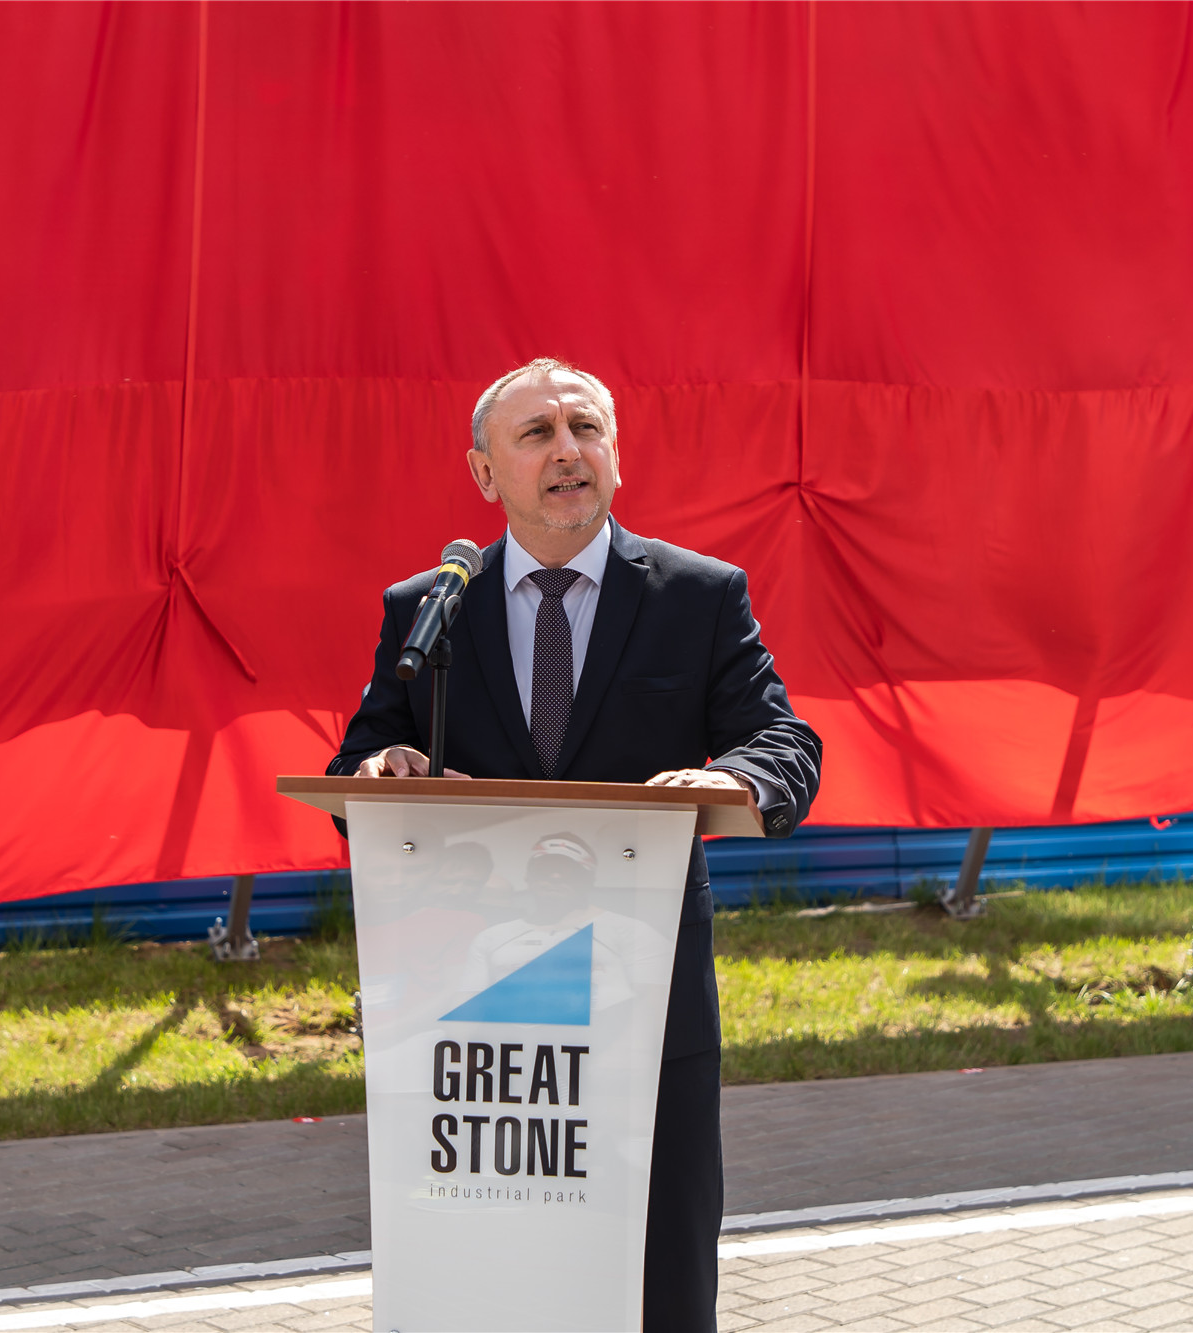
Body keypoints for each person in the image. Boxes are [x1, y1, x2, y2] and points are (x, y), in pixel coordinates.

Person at [327, 357, 822, 1331]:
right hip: (477, 1001)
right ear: (484, 473)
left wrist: (733, 778)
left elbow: (783, 741)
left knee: (658, 1263)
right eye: (537, 434)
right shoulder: (429, 607)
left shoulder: (695, 595)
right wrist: (384, 768)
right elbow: (358, 764)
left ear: (615, 455)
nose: (567, 452)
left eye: (585, 429)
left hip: (645, 990)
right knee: (495, 1265)